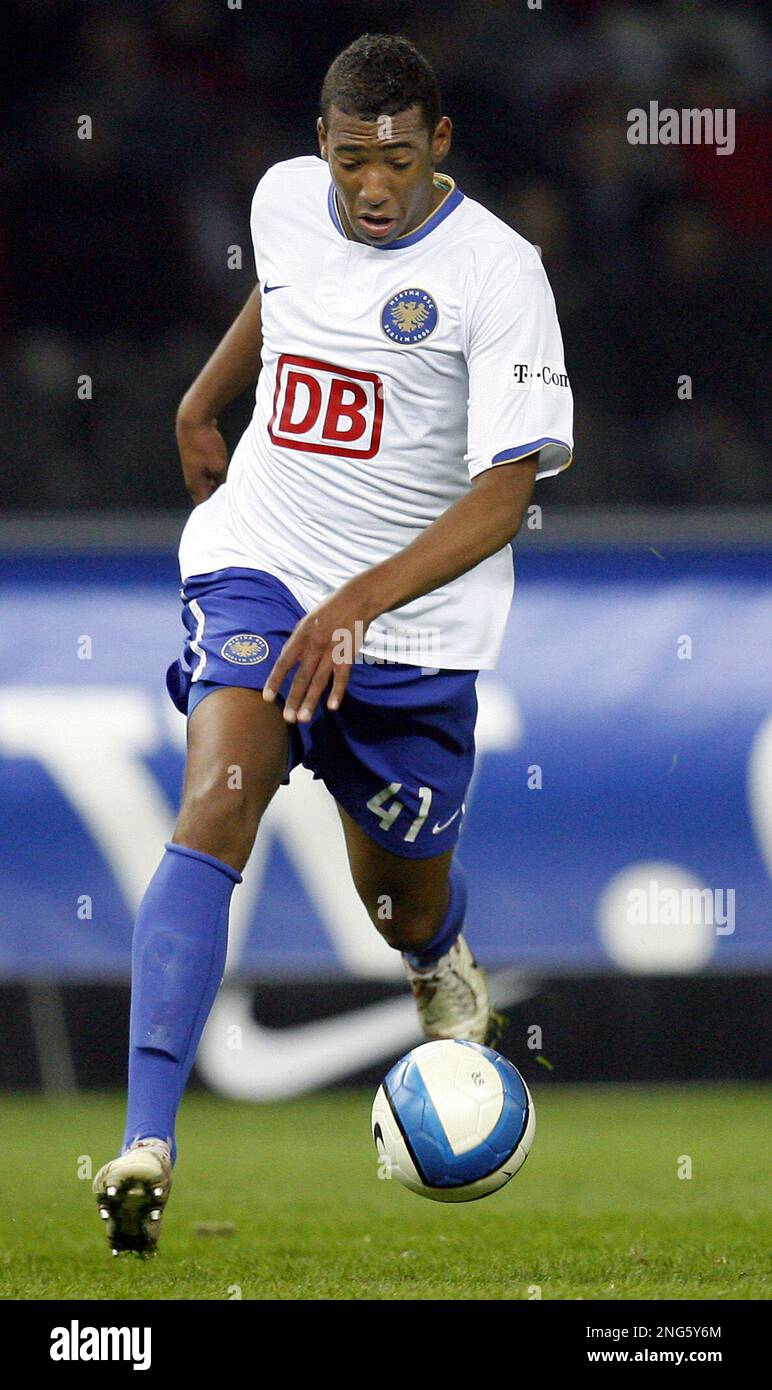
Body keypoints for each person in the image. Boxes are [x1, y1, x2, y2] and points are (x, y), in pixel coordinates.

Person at [93, 32, 573, 1254]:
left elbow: (503, 498)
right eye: (352, 157)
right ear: (322, 143)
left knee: (393, 898)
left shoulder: (500, 274)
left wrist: (358, 605)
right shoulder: (282, 199)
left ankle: (434, 949)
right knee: (215, 803)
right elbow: (288, 297)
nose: (371, 186)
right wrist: (206, 395)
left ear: (440, 147)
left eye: (397, 162)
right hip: (262, 569)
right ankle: (147, 1138)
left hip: (411, 631)